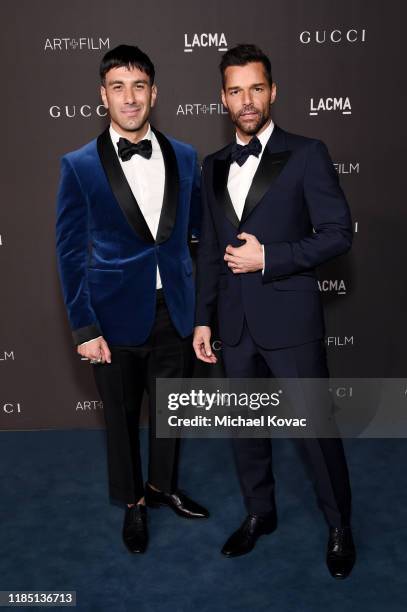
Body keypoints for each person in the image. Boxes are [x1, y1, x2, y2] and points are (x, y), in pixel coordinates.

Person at [193, 44, 355, 579]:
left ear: (273, 91)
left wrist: (272, 258)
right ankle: (260, 513)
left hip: (291, 323)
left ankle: (339, 524)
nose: (247, 100)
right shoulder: (212, 166)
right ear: (223, 98)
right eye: (235, 90)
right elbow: (209, 253)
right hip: (235, 327)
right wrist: (202, 318)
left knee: (316, 431)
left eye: (256, 88)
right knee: (246, 429)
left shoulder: (307, 152)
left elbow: (336, 234)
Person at [56, 44, 208, 555]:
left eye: (138, 86)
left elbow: (198, 239)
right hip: (112, 316)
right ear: (103, 95)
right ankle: (133, 504)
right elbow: (70, 251)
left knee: (173, 411)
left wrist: (200, 312)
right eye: (118, 87)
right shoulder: (78, 165)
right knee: (120, 418)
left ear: (154, 93)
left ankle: (162, 487)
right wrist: (84, 327)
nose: (130, 97)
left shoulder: (186, 156)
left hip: (175, 313)